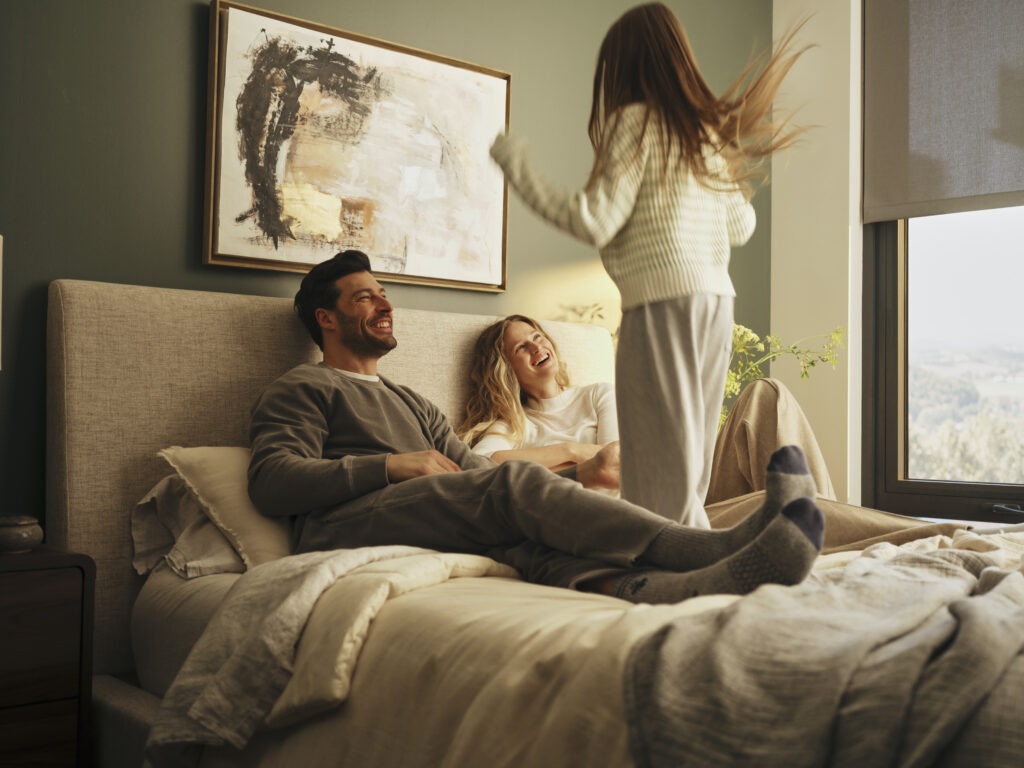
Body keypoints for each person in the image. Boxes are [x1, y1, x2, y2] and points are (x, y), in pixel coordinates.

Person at [247, 250, 825, 604]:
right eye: (366, 298)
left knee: (526, 531)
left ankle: (668, 589)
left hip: (426, 507)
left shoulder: (411, 401)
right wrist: (394, 464)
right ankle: (713, 548)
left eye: (383, 294)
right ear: (327, 318)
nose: (385, 305)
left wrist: (569, 485)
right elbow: (270, 479)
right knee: (508, 490)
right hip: (345, 525)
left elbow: (473, 471)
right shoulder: (304, 386)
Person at [488, 3, 809, 529]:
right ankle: (708, 554)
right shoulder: (702, 135)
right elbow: (742, 226)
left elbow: (594, 219)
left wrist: (516, 168)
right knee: (690, 458)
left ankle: (671, 569)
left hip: (661, 300)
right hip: (715, 300)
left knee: (657, 459)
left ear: (620, 69)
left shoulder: (631, 123)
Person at [459, 314, 616, 470]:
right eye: (521, 347)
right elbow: (477, 463)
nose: (536, 347)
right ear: (507, 370)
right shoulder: (513, 424)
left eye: (537, 337)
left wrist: (545, 470)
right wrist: (568, 450)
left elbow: (617, 461)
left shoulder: (599, 395)